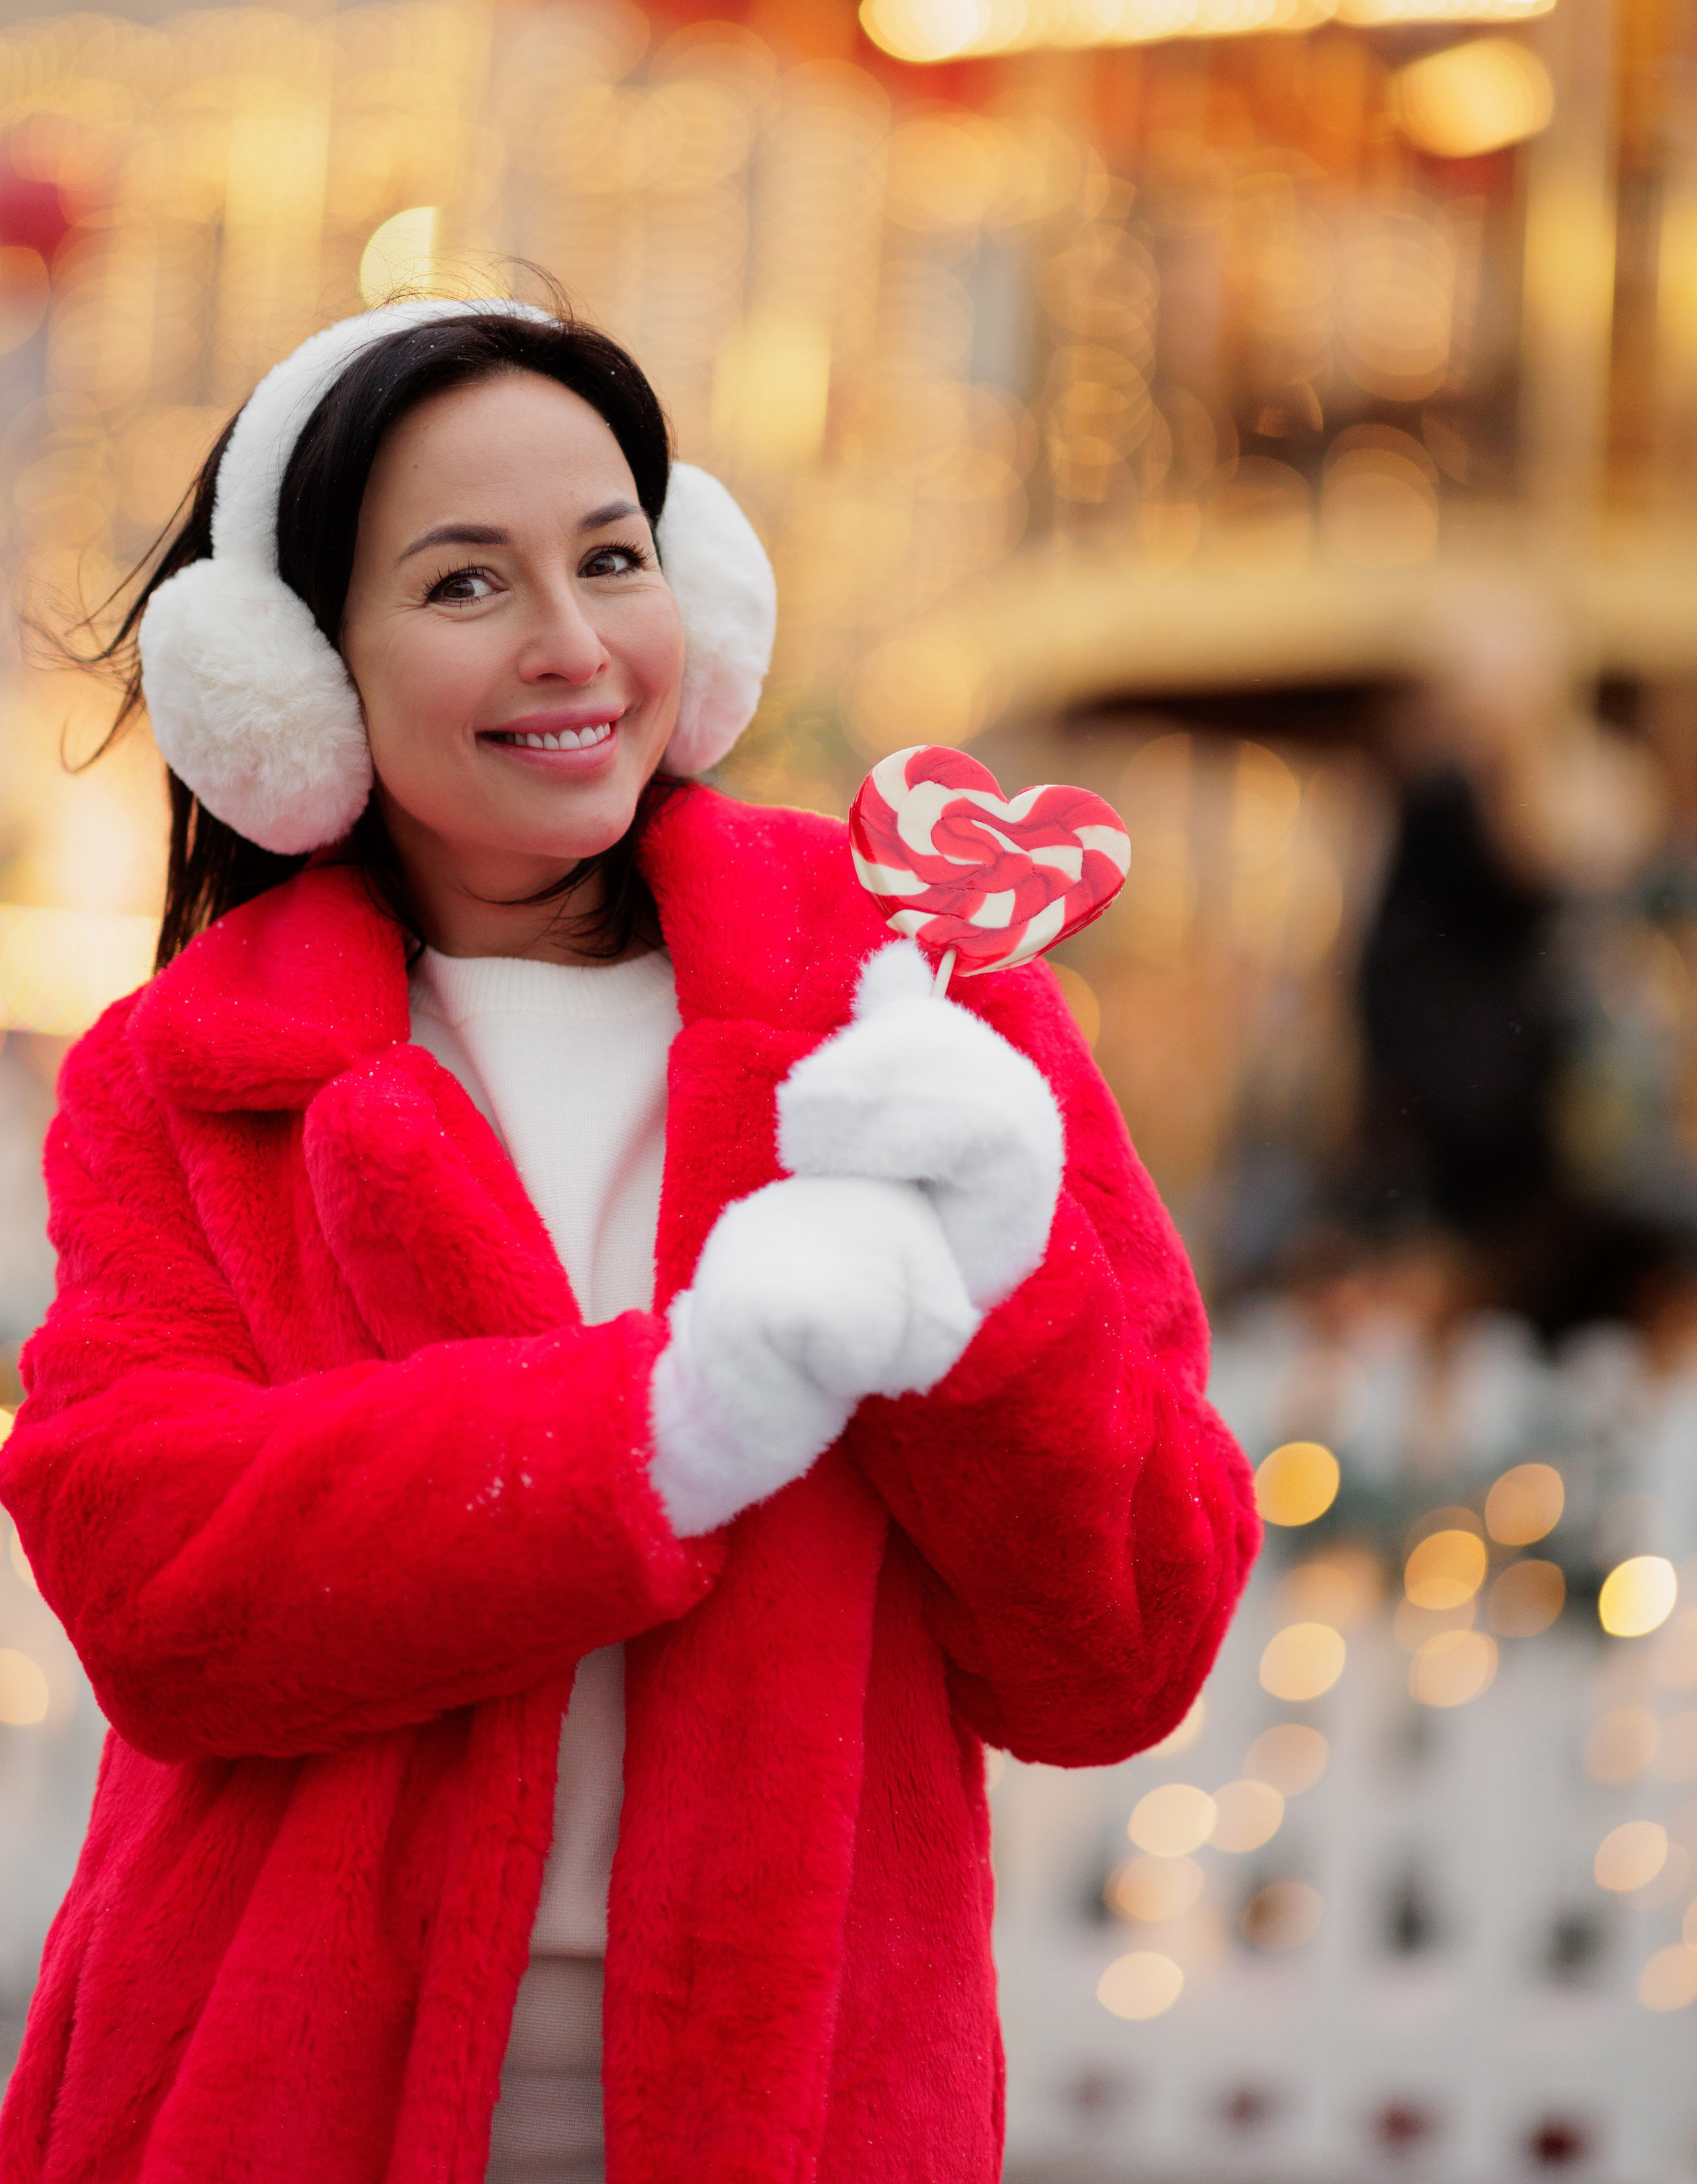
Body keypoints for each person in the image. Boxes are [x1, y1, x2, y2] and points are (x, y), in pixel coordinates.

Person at [0, 294, 1259, 2184]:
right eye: (463, 586)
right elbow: (157, 1584)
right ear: (296, 671)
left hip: (804, 2109)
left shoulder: (916, 1005)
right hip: (262, 2100)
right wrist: (658, 1431)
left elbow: (1125, 1649)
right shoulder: (187, 1078)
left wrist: (988, 1302)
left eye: (614, 559)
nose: (574, 645)